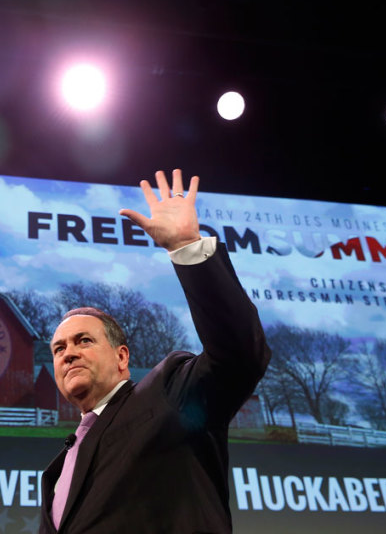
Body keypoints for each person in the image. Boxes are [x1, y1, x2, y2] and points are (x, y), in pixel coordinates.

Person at [40, 169, 271, 533]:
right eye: (58, 348)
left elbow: (239, 356)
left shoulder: (167, 393)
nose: (68, 353)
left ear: (121, 357)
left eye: (84, 340)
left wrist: (186, 246)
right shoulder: (57, 472)